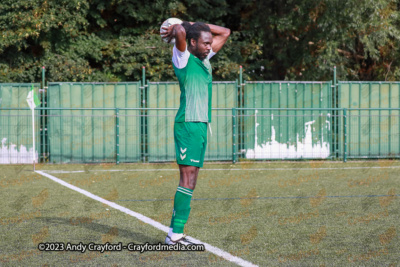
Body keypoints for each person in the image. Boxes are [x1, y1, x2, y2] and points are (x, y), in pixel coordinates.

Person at [161, 21, 230, 244]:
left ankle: (175, 233)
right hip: (188, 123)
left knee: (192, 181)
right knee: (187, 178)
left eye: (211, 43)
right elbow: (180, 31)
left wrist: (194, 24)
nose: (210, 46)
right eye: (205, 43)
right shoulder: (182, 58)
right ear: (192, 42)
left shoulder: (204, 60)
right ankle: (175, 235)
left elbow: (226, 32)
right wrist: (179, 26)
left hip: (200, 125)